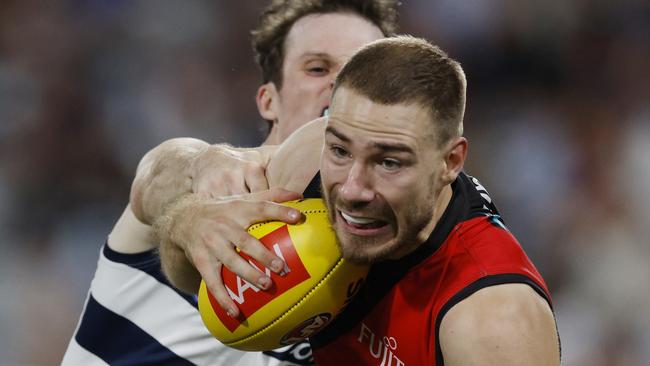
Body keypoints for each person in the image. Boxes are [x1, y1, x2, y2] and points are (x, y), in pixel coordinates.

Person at [155, 36, 561, 365]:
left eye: (388, 162)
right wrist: (187, 223)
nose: (352, 189)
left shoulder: (492, 322)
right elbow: (187, 272)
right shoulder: (306, 168)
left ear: (450, 162)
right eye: (341, 151)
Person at [61, 1, 398, 365]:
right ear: (269, 101)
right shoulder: (215, 182)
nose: (340, 84)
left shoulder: (383, 270)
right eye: (317, 68)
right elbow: (158, 174)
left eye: (361, 72)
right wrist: (190, 209)